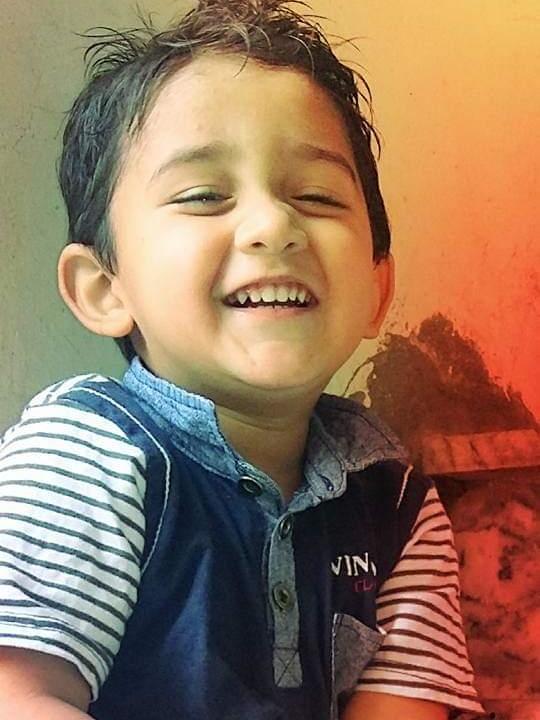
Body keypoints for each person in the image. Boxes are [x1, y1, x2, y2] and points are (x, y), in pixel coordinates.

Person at [0, 1, 486, 718]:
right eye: (204, 195)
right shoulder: (87, 453)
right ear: (104, 289)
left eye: (316, 196)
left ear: (377, 289)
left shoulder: (397, 503)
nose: (274, 225)